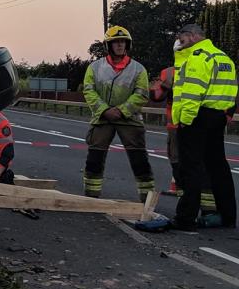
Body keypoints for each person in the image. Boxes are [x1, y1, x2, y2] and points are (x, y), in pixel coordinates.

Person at [171, 24, 237, 230]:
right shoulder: (223, 57)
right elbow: (232, 89)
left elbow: (191, 93)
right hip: (218, 117)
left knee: (191, 167)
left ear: (191, 36)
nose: (179, 44)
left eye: (181, 40)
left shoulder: (198, 58)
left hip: (196, 117)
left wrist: (185, 120)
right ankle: (228, 216)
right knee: (218, 167)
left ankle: (185, 219)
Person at [82, 26, 154, 201]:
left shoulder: (138, 69)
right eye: (116, 42)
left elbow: (142, 94)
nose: (120, 45)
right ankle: (91, 196)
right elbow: (89, 91)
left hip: (129, 118)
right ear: (109, 45)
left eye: (123, 42)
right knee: (95, 157)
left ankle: (147, 199)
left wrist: (121, 111)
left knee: (139, 159)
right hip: (102, 118)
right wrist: (105, 110)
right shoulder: (95, 67)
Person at [149, 60, 217, 214]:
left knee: (199, 165)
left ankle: (207, 209)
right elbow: (156, 96)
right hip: (176, 126)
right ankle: (185, 205)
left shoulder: (205, 67)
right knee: (178, 164)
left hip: (197, 125)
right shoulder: (169, 72)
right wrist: (164, 87)